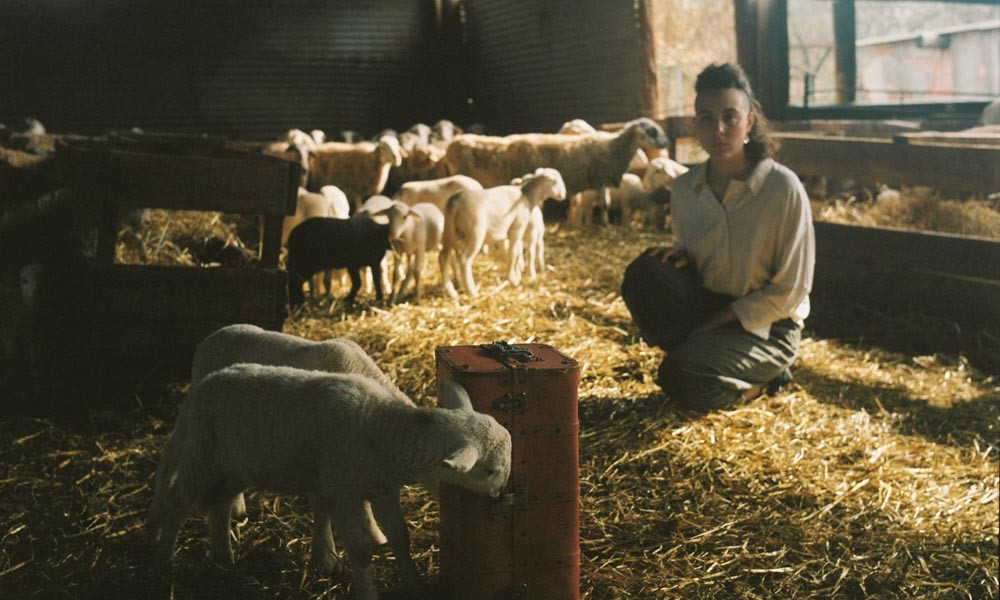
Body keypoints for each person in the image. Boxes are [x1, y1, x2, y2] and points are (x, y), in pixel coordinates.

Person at [621, 62, 815, 411]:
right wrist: (679, 257)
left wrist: (714, 322)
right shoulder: (684, 189)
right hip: (707, 303)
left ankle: (765, 380)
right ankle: (701, 353)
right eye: (707, 118)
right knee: (643, 272)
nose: (719, 129)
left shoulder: (781, 189)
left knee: (679, 378)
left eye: (730, 116)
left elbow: (790, 293)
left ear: (749, 122)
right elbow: (692, 252)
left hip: (769, 326)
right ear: (696, 124)